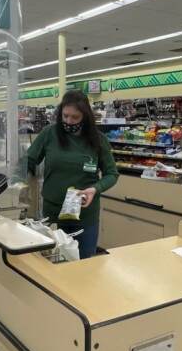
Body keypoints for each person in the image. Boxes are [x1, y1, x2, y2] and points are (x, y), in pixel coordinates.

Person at [27, 90, 119, 258]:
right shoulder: (50, 134)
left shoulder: (98, 140)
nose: (69, 121)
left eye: (75, 117)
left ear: (85, 116)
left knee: (83, 266)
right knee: (51, 263)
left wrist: (95, 188)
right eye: (65, 116)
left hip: (85, 217)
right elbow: (29, 160)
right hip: (53, 215)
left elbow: (112, 174)